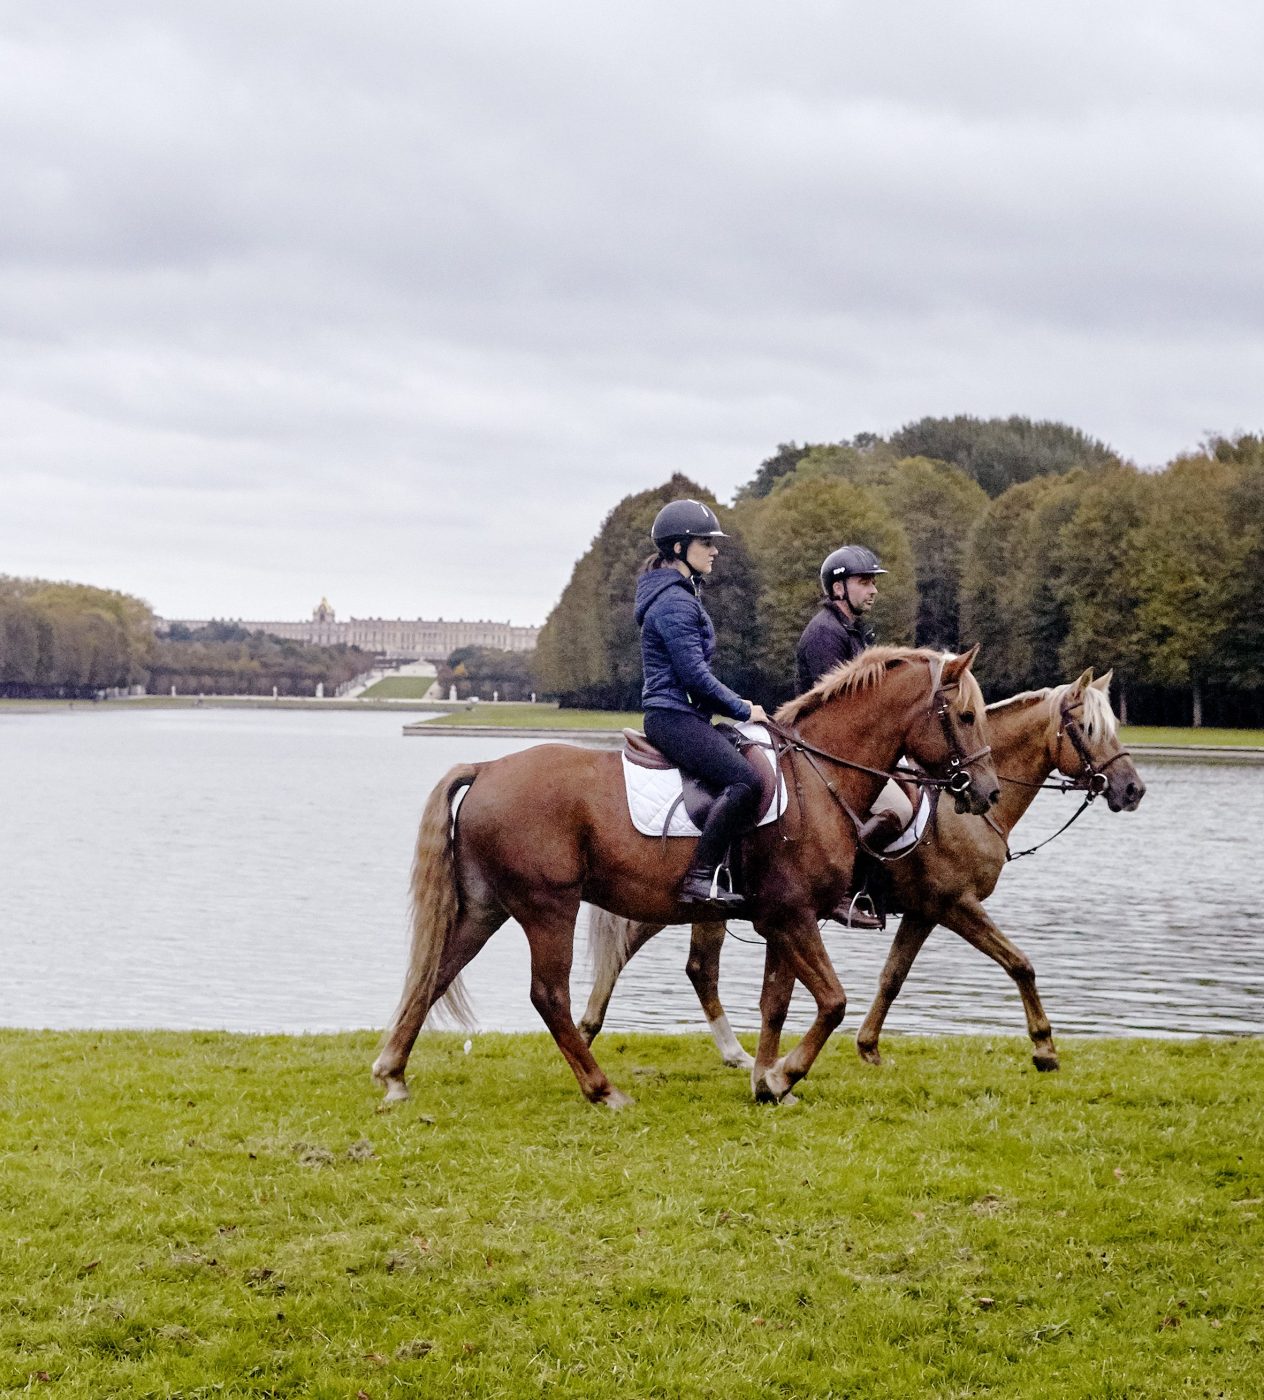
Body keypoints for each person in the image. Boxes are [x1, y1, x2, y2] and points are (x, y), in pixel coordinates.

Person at [636, 500, 768, 911]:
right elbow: (695, 676)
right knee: (746, 781)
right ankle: (698, 878)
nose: (714, 551)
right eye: (706, 543)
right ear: (678, 548)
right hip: (672, 716)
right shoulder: (675, 602)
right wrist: (744, 709)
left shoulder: (678, 594)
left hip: (681, 713)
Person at [795, 544, 911, 927]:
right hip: (823, 751)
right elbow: (839, 710)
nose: (873, 590)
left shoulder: (851, 630)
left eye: (873, 583)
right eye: (865, 582)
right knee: (901, 809)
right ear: (839, 588)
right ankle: (841, 892)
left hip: (852, 749)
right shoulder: (824, 635)